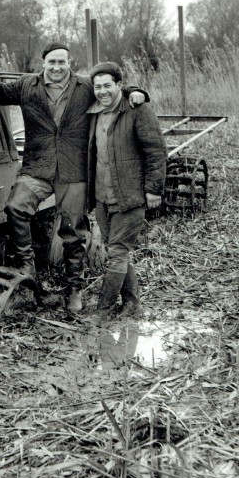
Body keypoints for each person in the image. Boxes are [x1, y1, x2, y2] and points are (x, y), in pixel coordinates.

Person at [0, 43, 143, 312]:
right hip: (39, 167)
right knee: (16, 207)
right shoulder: (27, 86)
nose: (57, 67)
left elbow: (112, 91)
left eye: (62, 62)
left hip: (73, 170)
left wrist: (136, 91)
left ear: (70, 62)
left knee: (73, 231)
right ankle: (26, 265)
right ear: (42, 62)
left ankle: (74, 289)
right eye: (51, 62)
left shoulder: (84, 87)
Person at [86, 62, 167, 320]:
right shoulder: (94, 113)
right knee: (115, 251)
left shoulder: (137, 109)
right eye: (97, 87)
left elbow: (156, 151)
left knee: (117, 253)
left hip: (129, 197)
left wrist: (154, 189)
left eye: (107, 85)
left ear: (119, 85)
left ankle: (104, 310)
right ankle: (132, 304)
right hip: (102, 197)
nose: (102, 91)